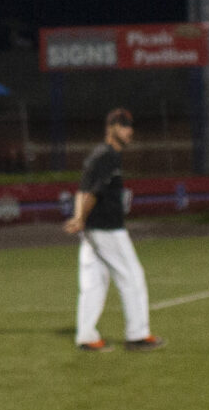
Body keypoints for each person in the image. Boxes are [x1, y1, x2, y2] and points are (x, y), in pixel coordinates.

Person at [64, 107, 160, 351]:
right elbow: (93, 192)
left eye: (130, 125)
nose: (130, 131)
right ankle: (138, 334)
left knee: (93, 283)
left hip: (92, 231)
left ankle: (86, 336)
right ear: (112, 128)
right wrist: (81, 217)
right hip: (107, 229)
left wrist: (78, 218)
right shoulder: (108, 155)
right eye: (125, 125)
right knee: (132, 276)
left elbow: (82, 189)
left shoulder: (98, 154)